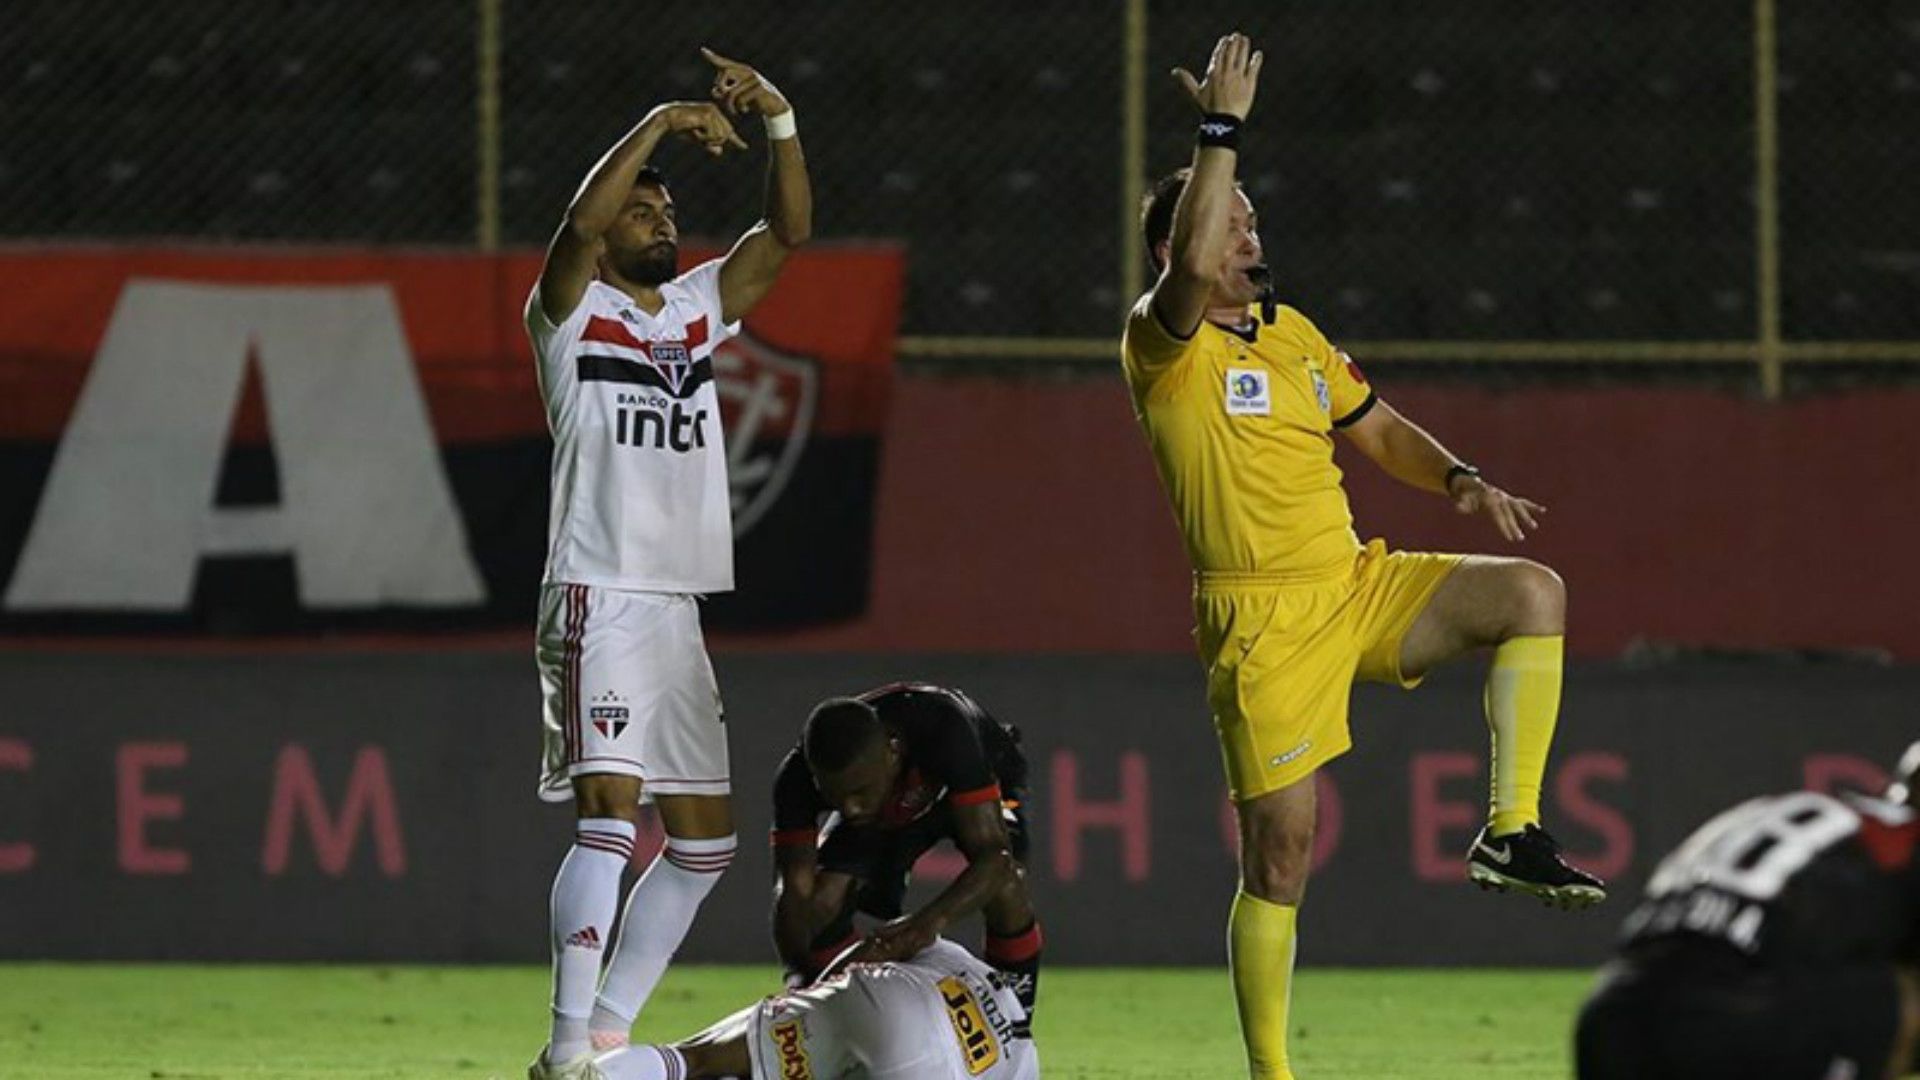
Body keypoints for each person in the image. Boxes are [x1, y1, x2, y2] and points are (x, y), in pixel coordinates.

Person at [1119, 30, 1604, 1079]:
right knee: (1282, 854)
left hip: (1356, 583)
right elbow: (1195, 263)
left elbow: (1378, 430)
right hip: (1261, 619)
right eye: (1232, 221)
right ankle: (1271, 1072)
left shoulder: (1293, 334)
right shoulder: (1165, 345)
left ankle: (1509, 830)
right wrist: (1219, 136)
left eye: (1253, 218)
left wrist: (1462, 479)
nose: (1249, 234)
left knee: (1532, 591)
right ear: (1179, 250)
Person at [522, 46, 811, 1080]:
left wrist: (777, 121)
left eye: (669, 211)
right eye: (646, 211)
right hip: (599, 587)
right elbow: (579, 228)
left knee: (701, 848)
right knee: (611, 821)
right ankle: (566, 1052)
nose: (661, 222)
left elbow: (787, 233)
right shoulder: (567, 314)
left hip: (676, 603)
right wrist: (660, 118)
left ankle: (608, 1030)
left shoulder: (694, 310)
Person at [1577, 743, 1920, 1079]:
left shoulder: (1806, 814)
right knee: (1900, 997)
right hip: (1744, 1019)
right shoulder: (1900, 842)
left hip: (1611, 1015)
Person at [768, 684, 1043, 1013]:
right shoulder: (796, 779)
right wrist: (802, 987)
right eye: (836, 797)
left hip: (982, 783)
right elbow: (794, 897)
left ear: (892, 751)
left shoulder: (944, 727)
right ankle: (841, 1015)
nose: (851, 809)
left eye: (859, 790)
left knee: (1007, 880)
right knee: (821, 902)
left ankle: (1012, 1018)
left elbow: (994, 858)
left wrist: (920, 928)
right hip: (892, 806)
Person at [592, 937, 1040, 1080]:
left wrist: (816, 994)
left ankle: (587, 1074)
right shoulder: (1024, 1063)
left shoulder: (964, 964)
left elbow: (884, 944)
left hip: (883, 1000)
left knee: (697, 1059)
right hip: (935, 1064)